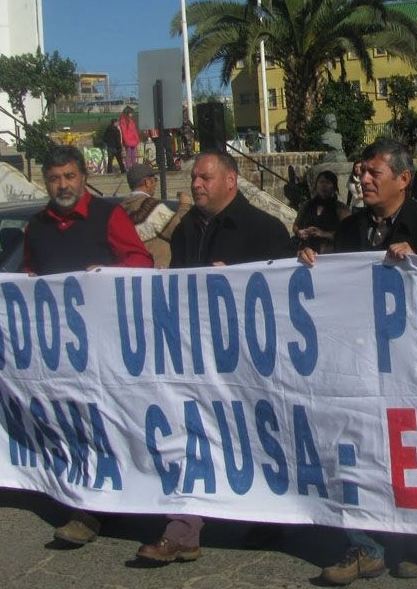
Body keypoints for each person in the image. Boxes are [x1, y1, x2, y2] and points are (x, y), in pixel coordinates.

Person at [299, 138, 417, 586]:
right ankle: (366, 545)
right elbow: (336, 291)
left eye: (374, 173)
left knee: (416, 457)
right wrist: (310, 265)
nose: (363, 180)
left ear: (403, 179)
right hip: (363, 364)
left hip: (416, 369)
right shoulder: (350, 231)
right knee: (361, 451)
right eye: (361, 172)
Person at [136, 149, 292, 564]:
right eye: (193, 179)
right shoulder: (187, 228)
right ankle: (183, 529)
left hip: (251, 363)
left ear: (230, 181)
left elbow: (287, 298)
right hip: (197, 358)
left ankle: (268, 513)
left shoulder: (266, 229)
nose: (196, 185)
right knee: (192, 437)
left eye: (205, 178)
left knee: (255, 437)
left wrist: (236, 284)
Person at [22, 145, 153, 544]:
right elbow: (27, 275)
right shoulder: (36, 227)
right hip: (60, 350)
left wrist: (108, 274)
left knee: (112, 422)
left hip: (108, 347)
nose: (62, 185)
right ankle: (89, 505)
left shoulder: (108, 215)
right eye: (54, 178)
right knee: (75, 425)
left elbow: (142, 263)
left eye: (69, 176)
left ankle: (120, 499)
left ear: (83, 178)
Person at [120, 162, 190, 268]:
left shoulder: (121, 208)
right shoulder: (151, 206)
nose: (155, 184)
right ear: (147, 182)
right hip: (156, 271)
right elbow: (179, 230)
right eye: (155, 180)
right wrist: (184, 205)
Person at [293, 169, 349, 254]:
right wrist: (299, 232)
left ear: (334, 187)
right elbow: (296, 225)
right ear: (316, 185)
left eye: (328, 183)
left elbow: (347, 233)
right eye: (321, 182)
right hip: (307, 251)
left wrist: (323, 233)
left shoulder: (341, 208)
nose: (324, 185)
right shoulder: (306, 205)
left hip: (330, 252)